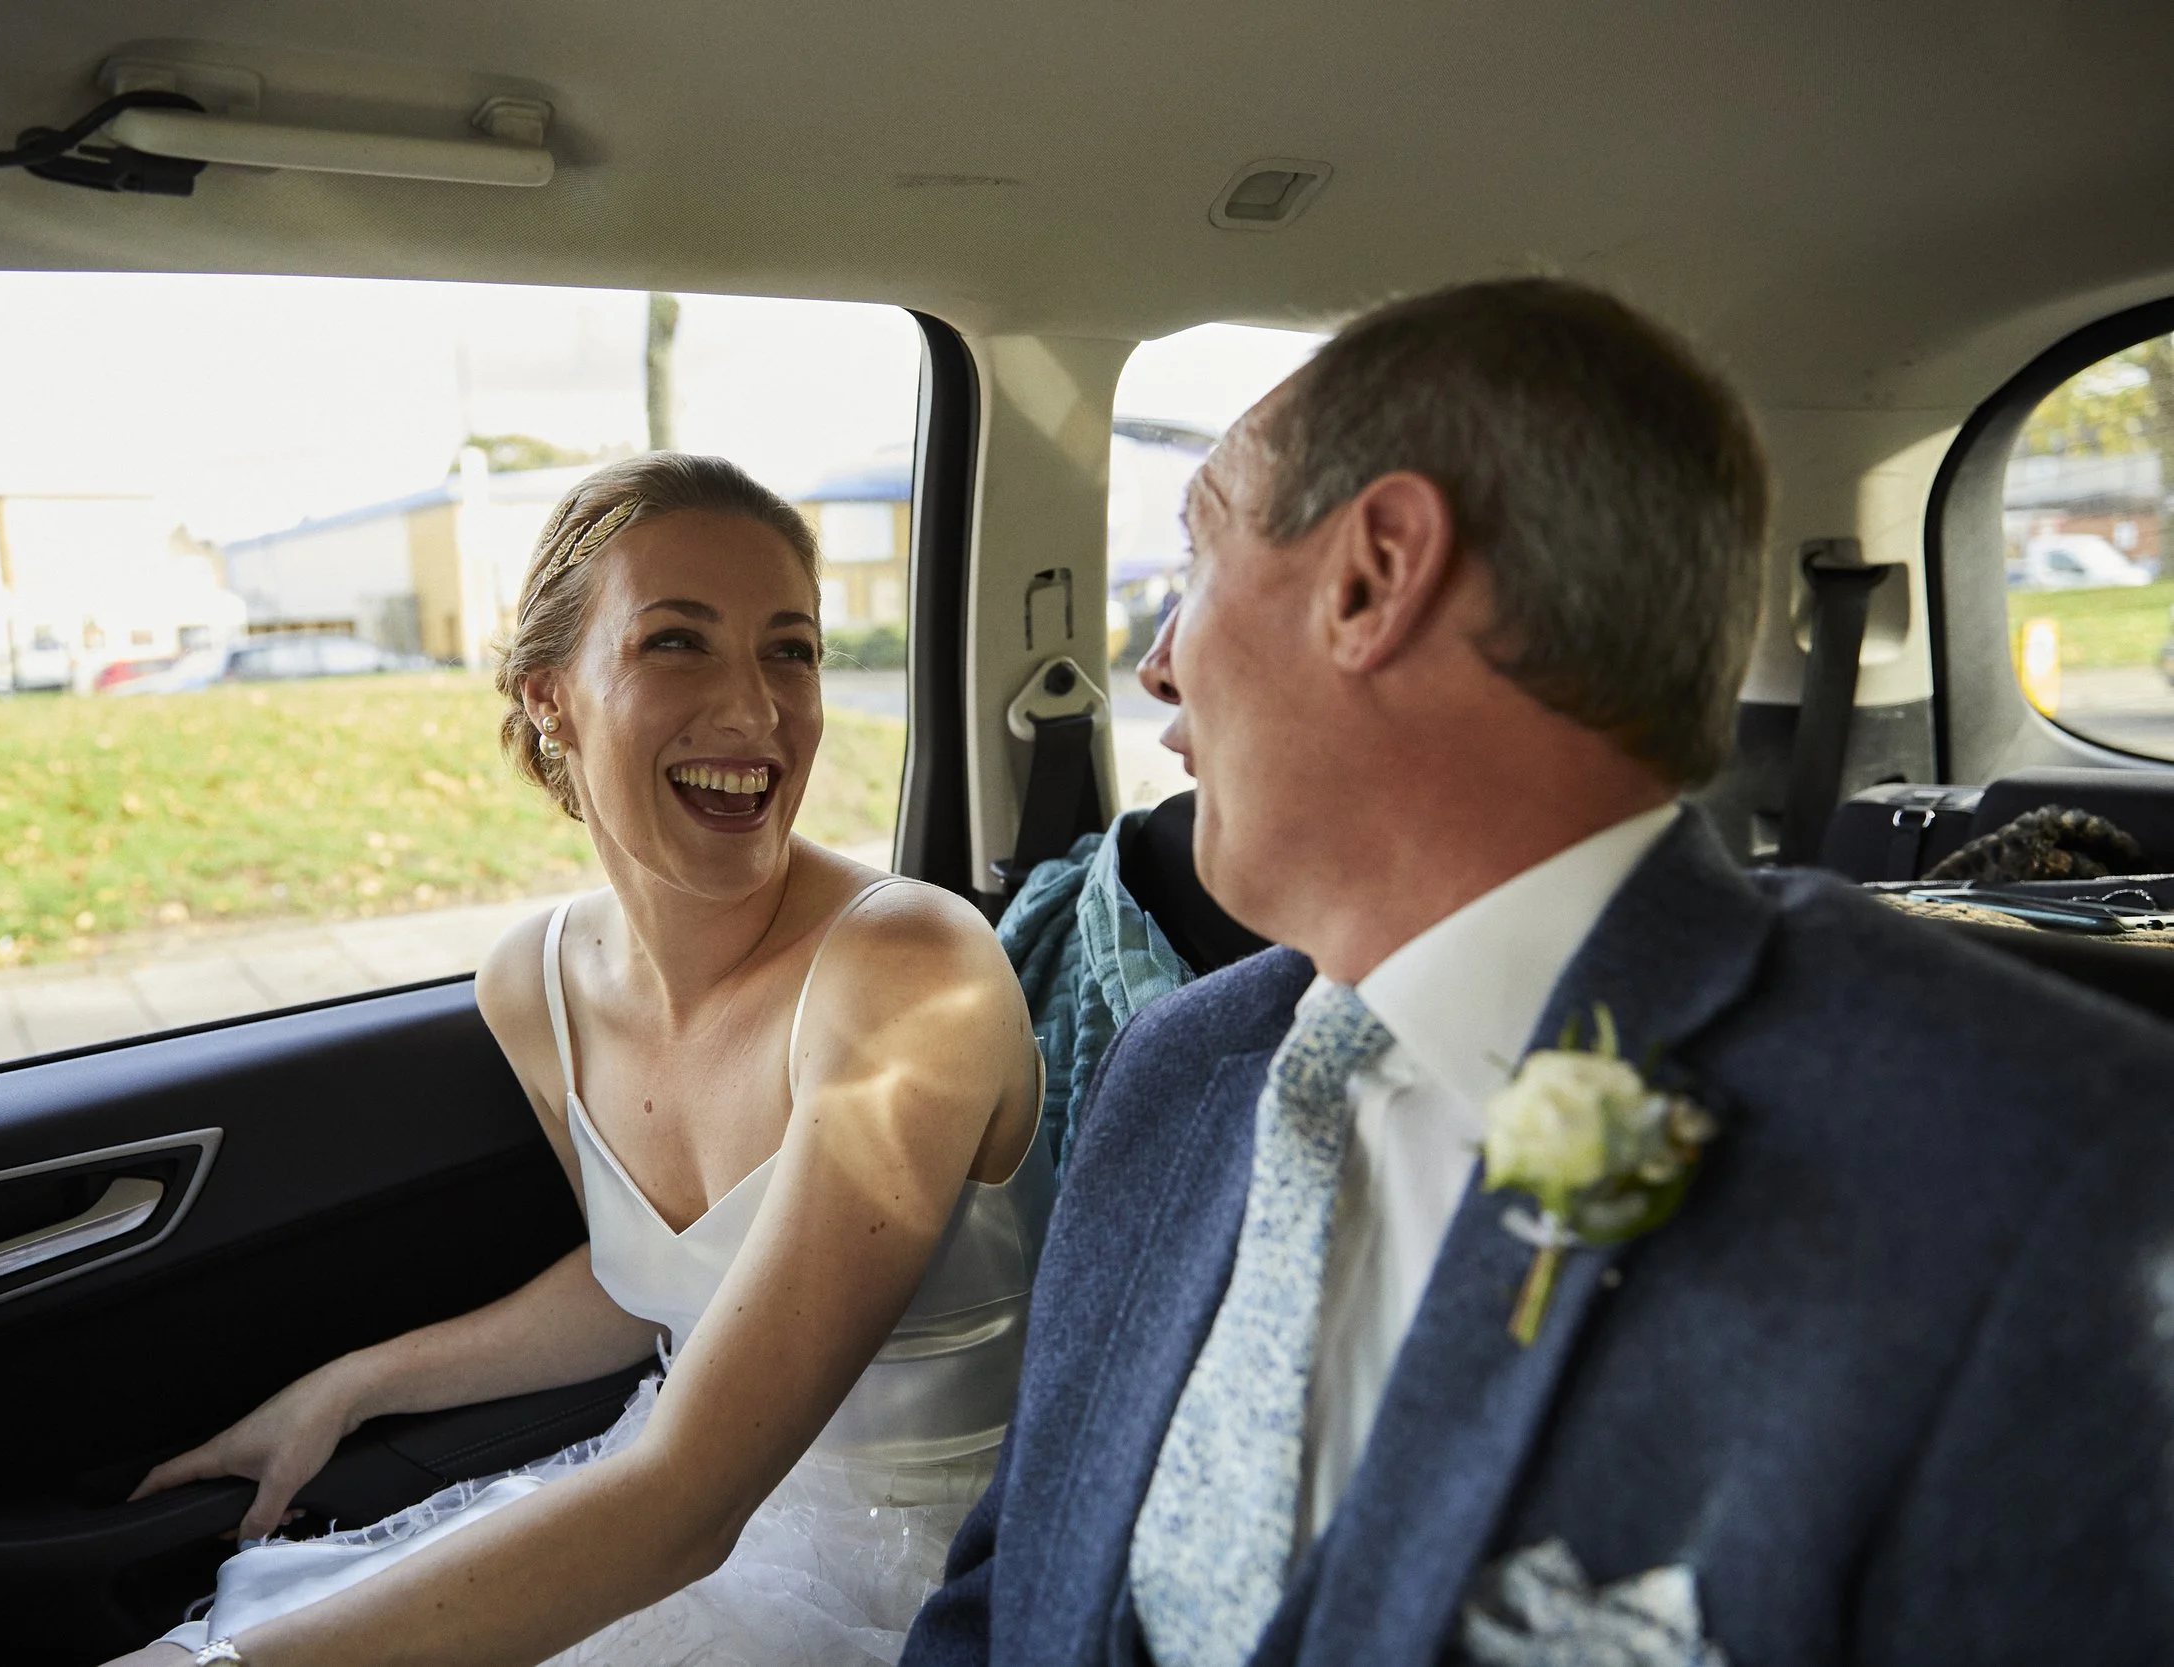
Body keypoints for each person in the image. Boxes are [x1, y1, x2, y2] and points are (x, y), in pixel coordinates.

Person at [904, 278, 2174, 1667]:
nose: (1153, 667)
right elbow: (999, 1605)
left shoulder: (2044, 1167)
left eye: (1196, 558)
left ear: (1374, 573)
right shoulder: (1174, 1072)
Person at [112, 454, 1052, 1667]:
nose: (756, 712)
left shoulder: (911, 967)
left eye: (792, 650)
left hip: (925, 1568)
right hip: (677, 1500)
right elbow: (654, 1279)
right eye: (678, 643)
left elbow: (684, 1507)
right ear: (550, 692)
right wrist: (352, 1383)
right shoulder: (531, 981)